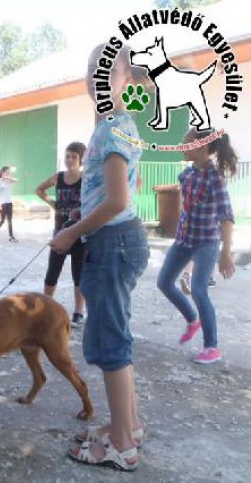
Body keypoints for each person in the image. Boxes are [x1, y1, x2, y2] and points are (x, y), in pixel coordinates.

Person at [51, 43, 149, 471]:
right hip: (117, 239)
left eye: (107, 71)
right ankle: (129, 424)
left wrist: (72, 230)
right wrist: (84, 209)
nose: (97, 77)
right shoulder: (117, 123)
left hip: (112, 243)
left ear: (125, 79)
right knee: (116, 336)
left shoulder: (111, 127)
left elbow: (117, 200)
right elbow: (129, 182)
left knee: (111, 344)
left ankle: (122, 446)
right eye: (92, 69)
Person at [157, 128, 237, 364]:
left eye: (187, 142)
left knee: (199, 289)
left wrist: (226, 253)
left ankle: (211, 346)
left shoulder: (215, 178)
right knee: (164, 282)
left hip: (207, 242)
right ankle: (193, 319)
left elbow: (227, 217)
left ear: (201, 147)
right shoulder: (186, 175)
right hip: (184, 240)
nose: (182, 146)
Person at [36, 142, 87, 327]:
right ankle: (44, 308)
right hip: (60, 232)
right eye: (67, 156)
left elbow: (94, 198)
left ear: (81, 159)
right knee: (52, 271)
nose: (69, 160)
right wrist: (52, 203)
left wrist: (83, 210)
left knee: (79, 274)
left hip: (80, 233)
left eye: (74, 156)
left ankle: (78, 312)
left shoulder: (86, 178)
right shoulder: (58, 177)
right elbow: (39, 189)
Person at [0, 166, 18, 242]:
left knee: (10, 220)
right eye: (7, 172)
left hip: (9, 203)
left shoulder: (8, 180)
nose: (8, 173)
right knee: (2, 221)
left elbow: (16, 181)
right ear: (3, 172)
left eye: (9, 172)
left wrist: (8, 178)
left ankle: (11, 237)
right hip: (2, 203)